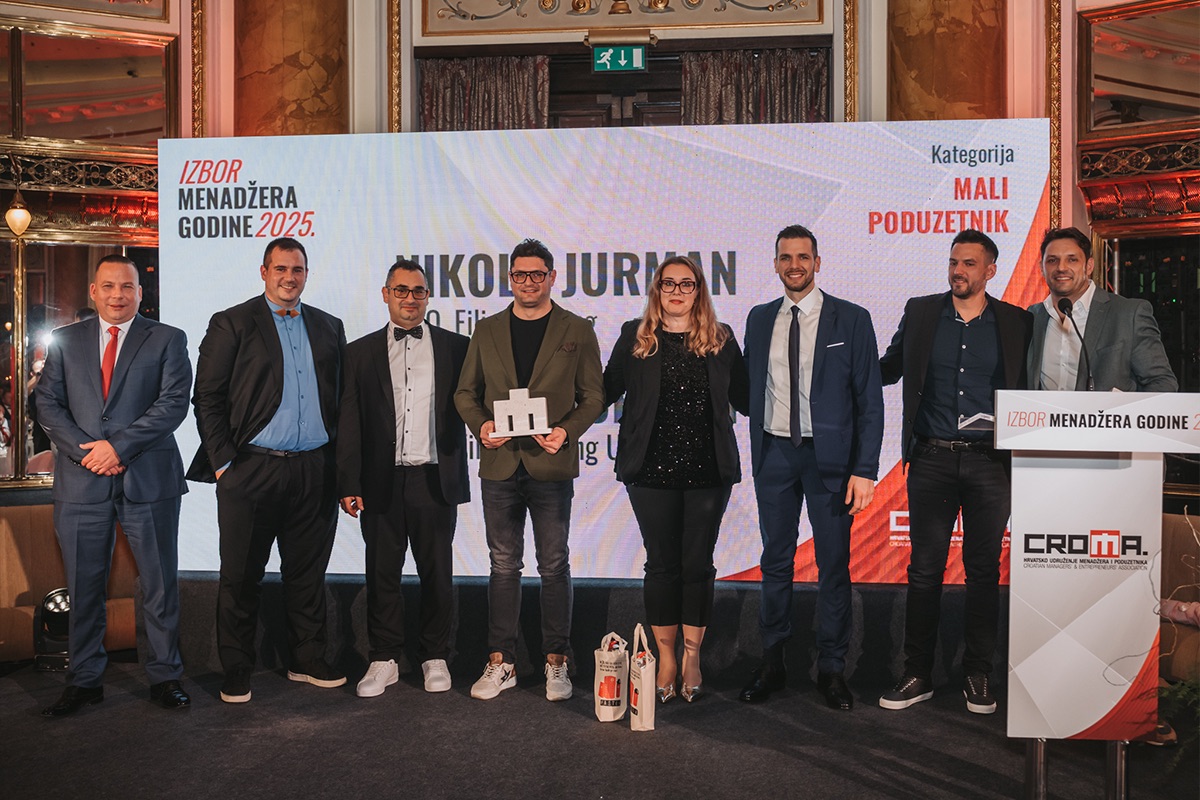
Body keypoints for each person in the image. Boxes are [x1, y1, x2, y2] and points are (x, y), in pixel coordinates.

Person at [877, 229, 1032, 715]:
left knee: (983, 572)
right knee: (924, 571)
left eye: (968, 263)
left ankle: (978, 673)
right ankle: (917, 673)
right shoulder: (921, 312)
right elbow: (888, 367)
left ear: (990, 270)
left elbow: (1033, 385)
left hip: (991, 464)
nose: (957, 271)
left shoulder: (1017, 322)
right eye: (953, 262)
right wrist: (840, 368)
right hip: (932, 460)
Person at [187, 236, 347, 704]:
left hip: (315, 469)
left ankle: (307, 658)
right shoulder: (232, 322)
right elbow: (207, 397)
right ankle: (237, 667)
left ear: (306, 274)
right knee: (241, 575)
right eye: (280, 268)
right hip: (251, 470)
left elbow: (342, 401)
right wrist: (225, 465)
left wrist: (341, 469)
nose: (289, 277)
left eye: (297, 269)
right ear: (263, 272)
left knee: (308, 574)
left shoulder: (329, 326)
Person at [35, 255, 192, 715]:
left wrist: (117, 448)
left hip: (150, 480)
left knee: (159, 586)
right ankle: (84, 681)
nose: (117, 295)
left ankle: (165, 677)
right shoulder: (66, 341)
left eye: (126, 287)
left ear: (140, 293)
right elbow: (47, 405)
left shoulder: (167, 338)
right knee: (83, 588)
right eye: (108, 286)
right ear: (93, 291)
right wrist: (89, 451)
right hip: (81, 481)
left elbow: (173, 404)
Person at [739, 224, 884, 711]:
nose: (794, 265)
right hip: (775, 455)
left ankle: (833, 668)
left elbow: (870, 401)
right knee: (775, 562)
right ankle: (772, 662)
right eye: (786, 257)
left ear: (818, 263)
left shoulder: (853, 319)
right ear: (775, 264)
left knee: (833, 566)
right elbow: (748, 387)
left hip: (833, 462)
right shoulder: (759, 318)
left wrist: (865, 468)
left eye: (803, 257)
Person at [454, 238, 604, 702]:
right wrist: (481, 425)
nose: (528, 282)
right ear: (510, 278)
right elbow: (465, 393)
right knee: (503, 564)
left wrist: (567, 431)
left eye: (537, 274)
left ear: (552, 277)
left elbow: (593, 397)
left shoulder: (577, 329)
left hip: (550, 463)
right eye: (520, 274)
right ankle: (502, 661)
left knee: (554, 564)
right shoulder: (487, 330)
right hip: (500, 464)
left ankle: (557, 662)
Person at [603, 256, 749, 703]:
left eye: (687, 284)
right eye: (669, 284)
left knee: (697, 565)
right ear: (657, 290)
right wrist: (554, 419)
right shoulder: (635, 337)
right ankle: (665, 657)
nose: (677, 292)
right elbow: (603, 391)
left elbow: (749, 399)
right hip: (650, 471)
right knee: (662, 564)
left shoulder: (722, 339)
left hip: (708, 472)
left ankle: (692, 657)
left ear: (699, 290)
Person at [337, 259, 470, 697]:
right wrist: (348, 481)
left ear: (428, 296)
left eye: (418, 291)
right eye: (401, 290)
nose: (410, 299)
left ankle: (435, 656)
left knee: (438, 573)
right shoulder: (358, 352)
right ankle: (384, 658)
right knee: (382, 574)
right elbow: (349, 421)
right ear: (385, 294)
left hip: (435, 476)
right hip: (380, 480)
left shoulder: (457, 347)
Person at [1028, 226, 1177, 392]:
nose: (1061, 267)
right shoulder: (1031, 317)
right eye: (1052, 260)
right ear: (1041, 268)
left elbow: (1163, 383)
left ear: (1089, 266)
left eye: (1072, 260)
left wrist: (1122, 408)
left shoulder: (1128, 314)